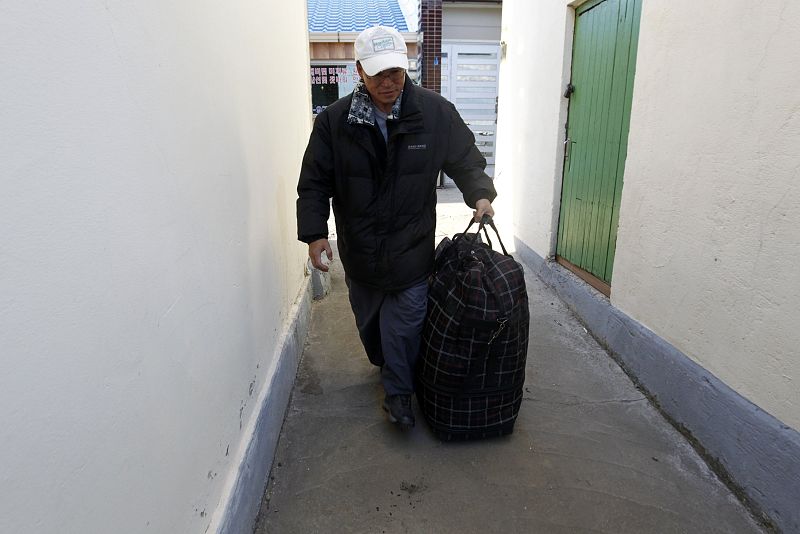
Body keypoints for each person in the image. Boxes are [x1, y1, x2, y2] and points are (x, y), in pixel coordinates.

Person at [296, 25, 496, 429]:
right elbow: (315, 180)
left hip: (412, 246)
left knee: (404, 324)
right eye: (377, 74)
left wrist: (480, 194)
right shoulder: (335, 123)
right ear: (359, 72)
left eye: (396, 73)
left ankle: (400, 394)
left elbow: (465, 159)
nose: (388, 83)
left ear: (405, 69)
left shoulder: (435, 112)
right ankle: (387, 365)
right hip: (360, 248)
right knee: (372, 328)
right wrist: (315, 232)